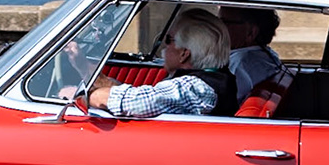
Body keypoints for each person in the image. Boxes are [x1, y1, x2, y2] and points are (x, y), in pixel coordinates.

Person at [86, 8, 237, 117]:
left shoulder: (197, 88)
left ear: (184, 53)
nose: (163, 45)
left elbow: (138, 102)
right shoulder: (213, 79)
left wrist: (84, 96)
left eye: (168, 40)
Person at [221, 6, 285, 97]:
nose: (218, 27)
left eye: (225, 22)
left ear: (251, 32)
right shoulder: (269, 55)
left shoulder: (239, 64)